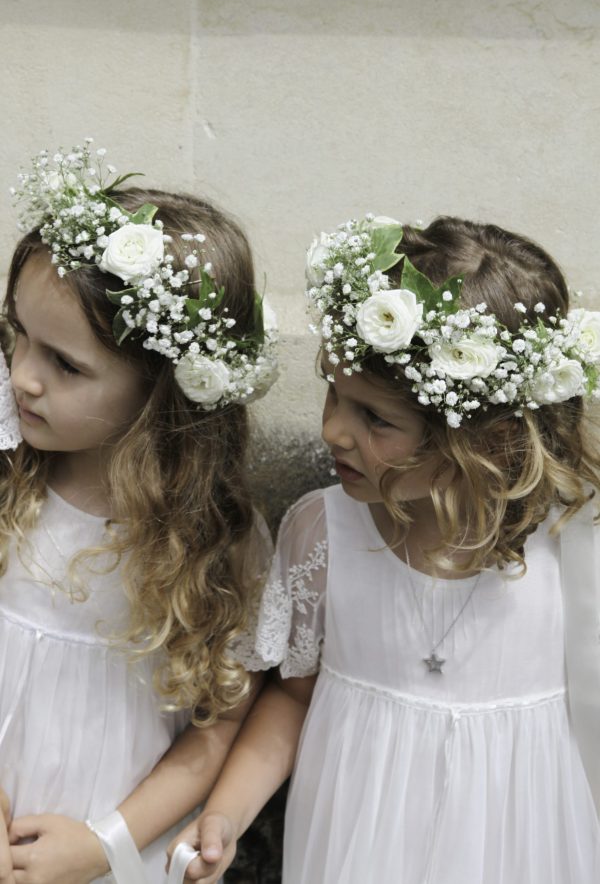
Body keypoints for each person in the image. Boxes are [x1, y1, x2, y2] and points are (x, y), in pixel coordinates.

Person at [168, 214, 600, 883]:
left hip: (515, 839)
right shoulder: (323, 532)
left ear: (486, 439)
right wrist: (226, 812)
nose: (334, 432)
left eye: (375, 418)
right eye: (334, 395)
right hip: (355, 835)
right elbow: (293, 696)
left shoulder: (570, 542)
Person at [0, 140, 278, 884]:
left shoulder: (216, 541)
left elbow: (219, 725)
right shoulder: (7, 478)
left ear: (161, 391)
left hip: (107, 846)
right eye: (19, 336)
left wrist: (105, 846)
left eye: (65, 363)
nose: (23, 377)